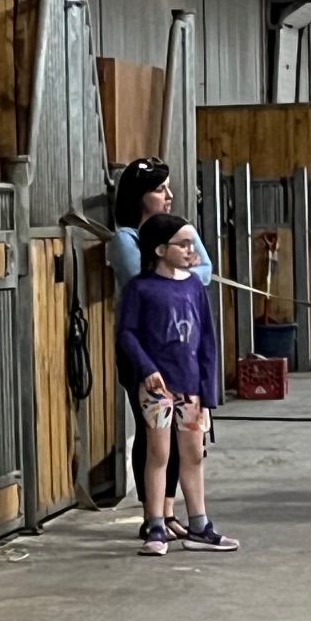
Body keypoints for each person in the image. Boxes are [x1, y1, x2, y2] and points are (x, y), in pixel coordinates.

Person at [116, 213, 239, 557]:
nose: (191, 250)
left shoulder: (194, 288)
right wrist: (145, 368)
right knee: (159, 453)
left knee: (194, 454)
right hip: (157, 389)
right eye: (183, 243)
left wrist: (208, 391)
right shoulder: (139, 289)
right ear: (159, 249)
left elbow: (208, 342)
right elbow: (126, 333)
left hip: (192, 388)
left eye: (192, 242)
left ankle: (199, 524)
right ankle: (155, 523)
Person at [106, 158, 212, 541]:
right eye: (159, 190)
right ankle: (154, 514)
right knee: (153, 433)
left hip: (181, 349)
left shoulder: (178, 231)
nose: (168, 196)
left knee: (184, 437)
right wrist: (184, 269)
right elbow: (147, 281)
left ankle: (168, 511)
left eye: (168, 188)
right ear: (139, 198)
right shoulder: (125, 240)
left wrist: (180, 262)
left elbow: (206, 270)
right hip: (145, 353)